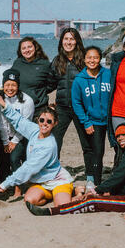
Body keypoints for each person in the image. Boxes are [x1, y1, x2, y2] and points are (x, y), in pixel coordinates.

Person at [27, 123, 125, 215]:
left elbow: (119, 176)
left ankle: (51, 211)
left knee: (91, 201)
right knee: (91, 197)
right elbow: (120, 179)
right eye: (118, 136)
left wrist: (98, 190)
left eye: (124, 135)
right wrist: (103, 191)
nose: (120, 138)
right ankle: (73, 200)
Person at [0, 99, 75, 209]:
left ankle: (76, 193)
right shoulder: (35, 130)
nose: (44, 124)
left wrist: (5, 184)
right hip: (42, 183)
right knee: (29, 200)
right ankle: (53, 195)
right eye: (42, 120)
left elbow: (28, 168)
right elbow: (19, 120)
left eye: (49, 122)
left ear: (55, 124)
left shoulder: (49, 145)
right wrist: (4, 105)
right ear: (38, 120)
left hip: (58, 180)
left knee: (62, 206)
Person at [71, 46, 112, 191]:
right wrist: (86, 122)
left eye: (95, 57)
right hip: (93, 121)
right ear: (84, 59)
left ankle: (116, 178)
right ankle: (95, 182)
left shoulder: (108, 74)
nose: (92, 60)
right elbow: (76, 102)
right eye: (89, 57)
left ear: (100, 58)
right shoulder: (79, 80)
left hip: (110, 119)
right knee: (97, 151)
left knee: (116, 148)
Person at [50, 28, 91, 163]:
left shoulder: (85, 60)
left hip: (82, 109)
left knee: (87, 144)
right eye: (66, 39)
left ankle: (91, 176)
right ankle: (54, 172)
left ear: (77, 41)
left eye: (72, 39)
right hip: (62, 108)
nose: (69, 42)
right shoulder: (57, 61)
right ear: (61, 41)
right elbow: (50, 83)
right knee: (54, 142)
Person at [0, 69, 34, 192]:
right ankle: (4, 184)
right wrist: (6, 141)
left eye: (13, 85)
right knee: (2, 160)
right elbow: (0, 123)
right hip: (4, 135)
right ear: (3, 85)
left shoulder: (27, 100)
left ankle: (18, 186)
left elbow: (25, 124)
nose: (10, 88)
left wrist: (14, 141)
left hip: (21, 135)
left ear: (18, 86)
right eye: (7, 85)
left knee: (14, 158)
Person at [9, 36, 52, 112]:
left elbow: (53, 82)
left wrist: (38, 92)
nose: (27, 50)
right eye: (24, 48)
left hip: (39, 107)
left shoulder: (44, 64)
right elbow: (11, 79)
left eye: (29, 47)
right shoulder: (17, 63)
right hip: (20, 106)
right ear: (20, 51)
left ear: (35, 48)